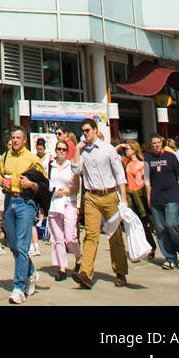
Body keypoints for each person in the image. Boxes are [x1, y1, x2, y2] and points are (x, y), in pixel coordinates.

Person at [70, 117, 128, 290]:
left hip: (110, 195)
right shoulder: (83, 151)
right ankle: (86, 273)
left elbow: (120, 175)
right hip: (91, 196)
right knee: (91, 234)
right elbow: (75, 170)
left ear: (95, 130)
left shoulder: (108, 149)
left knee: (114, 235)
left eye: (88, 130)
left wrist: (123, 199)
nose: (85, 134)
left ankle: (120, 271)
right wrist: (77, 150)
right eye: (83, 131)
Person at [0, 127, 46, 304]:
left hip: (25, 203)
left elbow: (43, 184)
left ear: (25, 140)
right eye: (13, 137)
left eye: (18, 137)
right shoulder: (5, 157)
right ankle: (31, 272)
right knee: (14, 245)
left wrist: (31, 184)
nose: (15, 140)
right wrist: (1, 181)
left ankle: (19, 287)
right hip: (9, 200)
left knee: (23, 246)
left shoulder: (32, 159)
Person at [143, 134, 179, 271]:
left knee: (172, 224)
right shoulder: (147, 159)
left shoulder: (170, 157)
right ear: (150, 145)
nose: (157, 145)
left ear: (162, 143)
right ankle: (170, 258)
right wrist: (149, 200)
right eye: (154, 143)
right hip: (156, 198)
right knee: (161, 229)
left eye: (159, 142)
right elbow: (147, 182)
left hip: (171, 196)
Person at [47, 136, 80, 280]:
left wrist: (65, 191)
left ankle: (79, 257)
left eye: (64, 150)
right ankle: (62, 268)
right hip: (54, 204)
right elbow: (46, 183)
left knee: (70, 236)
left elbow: (77, 188)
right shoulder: (50, 166)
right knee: (58, 238)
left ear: (67, 152)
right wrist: (53, 190)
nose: (61, 151)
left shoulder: (72, 166)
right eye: (59, 149)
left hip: (68, 202)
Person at [117, 141, 156, 252]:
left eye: (128, 148)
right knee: (135, 222)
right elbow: (113, 153)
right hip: (130, 194)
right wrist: (120, 146)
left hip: (140, 194)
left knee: (143, 221)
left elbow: (145, 181)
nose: (126, 151)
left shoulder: (142, 164)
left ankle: (151, 245)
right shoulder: (127, 162)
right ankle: (143, 247)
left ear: (134, 150)